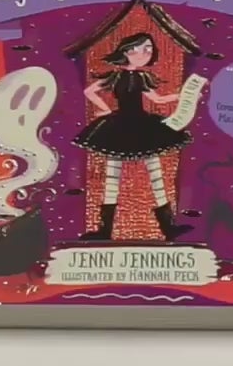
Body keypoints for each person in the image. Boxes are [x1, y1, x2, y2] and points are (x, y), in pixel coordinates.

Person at [72, 33, 192, 240]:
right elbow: (89, 91)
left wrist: (182, 96)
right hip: (119, 127)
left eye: (149, 49)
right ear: (126, 52)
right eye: (140, 48)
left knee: (156, 176)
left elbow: (158, 99)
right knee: (112, 178)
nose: (145, 53)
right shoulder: (115, 76)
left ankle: (168, 227)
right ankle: (105, 230)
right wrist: (105, 109)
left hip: (142, 126)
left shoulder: (142, 77)